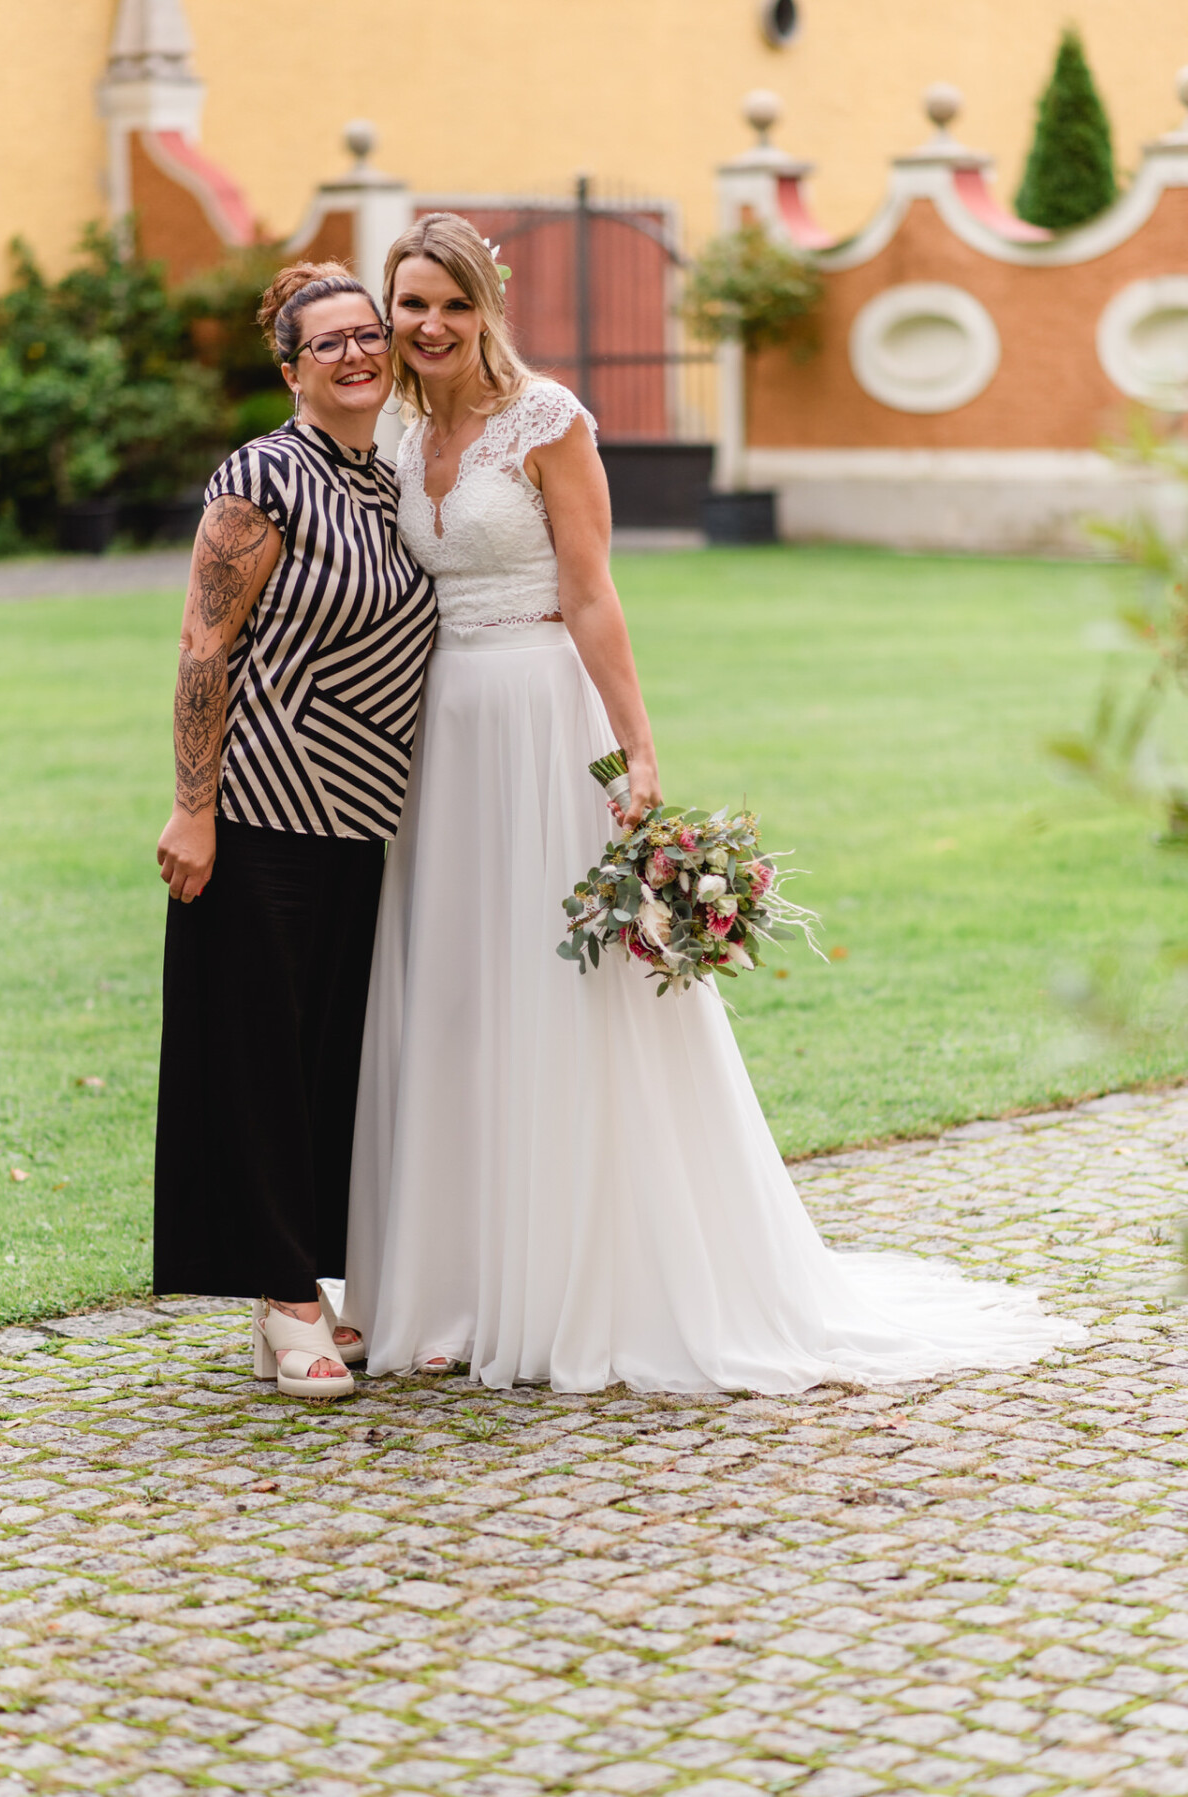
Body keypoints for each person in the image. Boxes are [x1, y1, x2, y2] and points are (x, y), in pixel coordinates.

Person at [344, 213, 1083, 1393]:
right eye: (411, 304)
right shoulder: (388, 426)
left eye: (451, 304)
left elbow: (593, 595)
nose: (429, 326)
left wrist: (637, 752)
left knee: (562, 986)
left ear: (487, 308)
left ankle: (579, 1278)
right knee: (452, 986)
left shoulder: (550, 422)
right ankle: (453, 1281)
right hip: (439, 735)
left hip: (539, 716)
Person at [153, 260, 436, 1400]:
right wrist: (192, 807)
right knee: (262, 1061)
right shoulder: (265, 475)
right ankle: (283, 1303)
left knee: (331, 1060)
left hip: (362, 817)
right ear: (290, 368)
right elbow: (203, 647)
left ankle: (313, 1277)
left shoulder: (387, 480)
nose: (361, 354)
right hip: (263, 810)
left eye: (371, 334)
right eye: (332, 344)